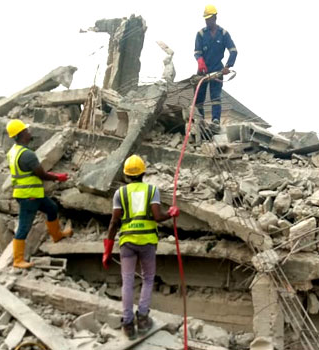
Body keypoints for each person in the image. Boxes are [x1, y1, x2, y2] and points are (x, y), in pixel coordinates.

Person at [102, 155, 179, 339]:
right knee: (148, 279)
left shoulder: (120, 193)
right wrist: (171, 213)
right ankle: (143, 319)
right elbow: (157, 217)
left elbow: (114, 222)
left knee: (127, 282)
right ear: (143, 173)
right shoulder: (152, 190)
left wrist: (107, 249)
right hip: (147, 243)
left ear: (126, 175)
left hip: (127, 243)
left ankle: (128, 325)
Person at [6, 119, 73, 269]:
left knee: (51, 208)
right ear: (22, 133)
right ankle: (18, 260)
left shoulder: (13, 152)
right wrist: (58, 177)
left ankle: (57, 235)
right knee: (24, 226)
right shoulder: (27, 155)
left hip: (27, 193)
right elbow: (41, 174)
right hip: (29, 196)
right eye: (27, 130)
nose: (29, 132)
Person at [194, 4, 238, 125]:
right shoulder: (201, 34)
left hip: (217, 70)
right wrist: (200, 61)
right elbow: (197, 52)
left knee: (215, 97)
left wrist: (227, 66)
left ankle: (215, 120)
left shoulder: (223, 34)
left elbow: (233, 51)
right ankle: (200, 120)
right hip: (203, 72)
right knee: (199, 99)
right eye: (206, 19)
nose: (207, 21)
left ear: (215, 17)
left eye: (209, 18)